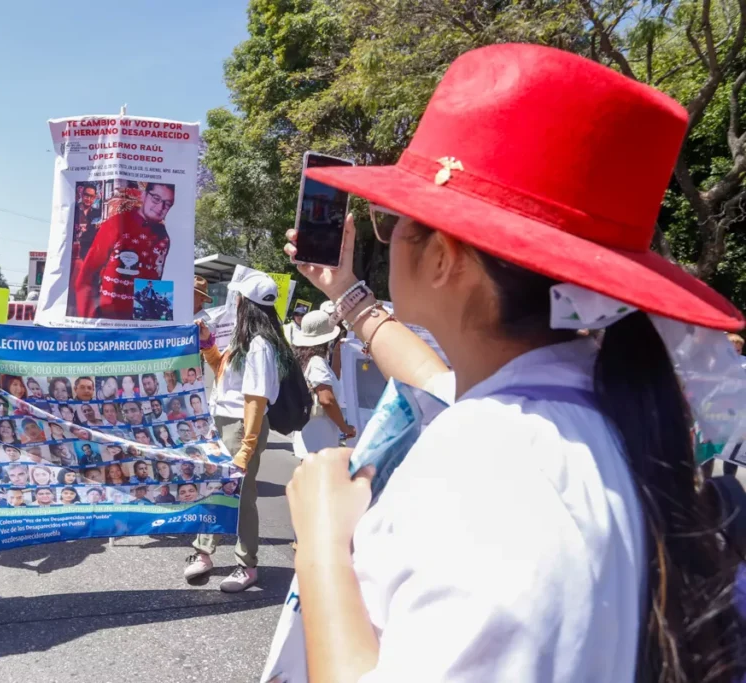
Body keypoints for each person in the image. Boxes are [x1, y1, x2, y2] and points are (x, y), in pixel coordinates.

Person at [272, 44, 746, 682]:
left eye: (392, 221)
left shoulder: (493, 474)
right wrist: (347, 293)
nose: (387, 239)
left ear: (443, 256)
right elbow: (434, 381)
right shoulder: (579, 408)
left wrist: (323, 544)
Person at [186, 271, 292, 592]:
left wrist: (247, 446)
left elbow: (256, 399)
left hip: (240, 426)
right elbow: (222, 372)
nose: (233, 301)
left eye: (237, 297)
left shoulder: (259, 344)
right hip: (222, 421)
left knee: (242, 496)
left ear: (245, 302)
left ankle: (247, 565)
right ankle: (203, 552)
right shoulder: (243, 338)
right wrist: (208, 348)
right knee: (212, 487)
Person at [72, 182, 176, 319]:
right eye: (156, 199)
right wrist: (90, 321)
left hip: (140, 329)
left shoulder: (165, 237)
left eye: (167, 204)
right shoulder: (116, 224)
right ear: (144, 196)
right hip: (107, 324)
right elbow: (88, 276)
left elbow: (159, 284)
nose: (161, 207)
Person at [290, 309, 355, 459]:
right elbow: (327, 399)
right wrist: (344, 427)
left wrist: (338, 353)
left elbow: (332, 379)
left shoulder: (307, 359)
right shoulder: (317, 362)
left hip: (310, 431)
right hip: (318, 435)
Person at [71, 182, 102, 261]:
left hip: (90, 252)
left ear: (95, 198)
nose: (88, 199)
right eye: (86, 195)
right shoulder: (73, 210)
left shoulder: (98, 213)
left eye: (91, 196)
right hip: (73, 252)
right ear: (82, 195)